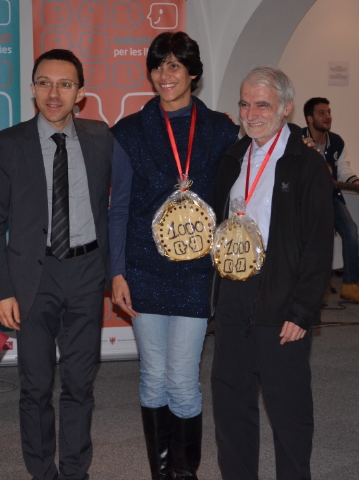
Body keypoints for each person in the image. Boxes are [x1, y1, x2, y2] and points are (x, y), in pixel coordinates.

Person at [108, 31, 239, 480]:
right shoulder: (128, 132)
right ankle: (161, 473)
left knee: (181, 379)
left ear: (193, 73)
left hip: (196, 271)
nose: (164, 75)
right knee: (152, 377)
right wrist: (117, 273)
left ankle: (185, 473)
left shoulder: (222, 130)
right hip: (143, 268)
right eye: (158, 66)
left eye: (174, 66)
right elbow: (119, 209)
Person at [0, 48, 113, 480]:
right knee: (35, 386)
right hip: (31, 279)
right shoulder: (6, 144)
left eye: (65, 84)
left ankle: (74, 472)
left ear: (81, 93)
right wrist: (1, 290)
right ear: (33, 89)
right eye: (45, 83)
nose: (54, 94)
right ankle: (42, 472)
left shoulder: (101, 137)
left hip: (86, 273)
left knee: (80, 383)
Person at [211, 67, 333, 479]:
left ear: (286, 108)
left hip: (281, 299)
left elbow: (318, 245)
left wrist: (303, 311)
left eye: (262, 104)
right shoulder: (232, 159)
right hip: (233, 296)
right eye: (245, 104)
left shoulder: (306, 164)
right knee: (231, 405)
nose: (251, 113)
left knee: (288, 411)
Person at [301, 97, 359, 305]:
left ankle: (351, 285)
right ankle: (311, 286)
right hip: (303, 199)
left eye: (328, 112)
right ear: (309, 118)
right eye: (321, 113)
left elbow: (344, 171)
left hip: (330, 196)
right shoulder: (298, 139)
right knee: (311, 239)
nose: (328, 117)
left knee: (350, 231)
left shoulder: (336, 141)